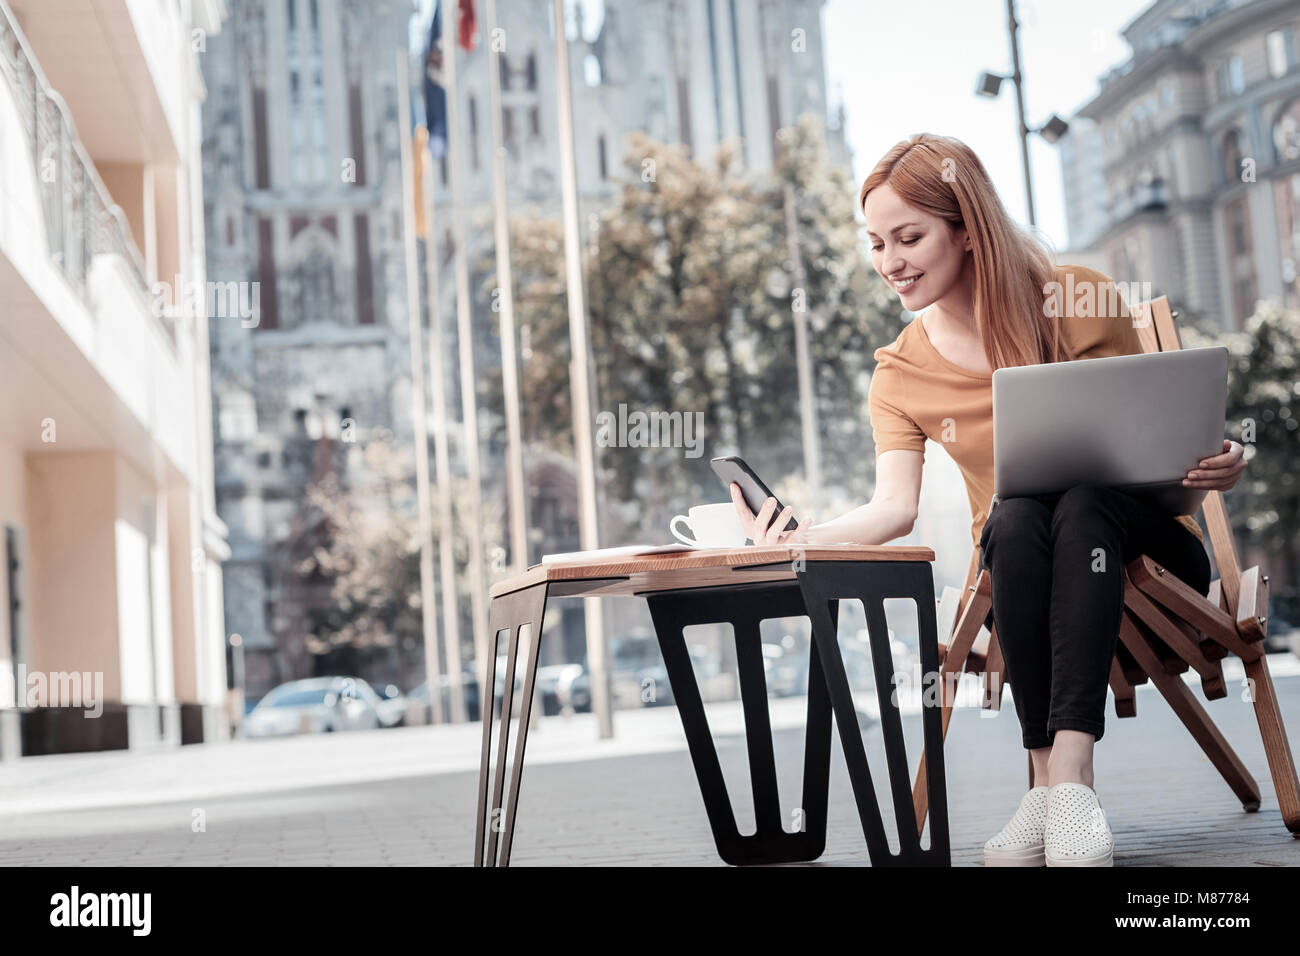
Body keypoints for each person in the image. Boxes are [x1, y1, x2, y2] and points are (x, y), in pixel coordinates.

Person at [729, 133, 1245, 867]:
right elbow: (892, 510)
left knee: (1084, 503)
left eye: (909, 237)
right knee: (1017, 514)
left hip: (1149, 572)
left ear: (967, 231)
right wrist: (800, 540)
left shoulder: (1079, 296)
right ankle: (1061, 792)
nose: (889, 262)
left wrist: (1225, 460)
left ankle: (1060, 782)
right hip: (1024, 573)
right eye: (875, 242)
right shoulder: (901, 371)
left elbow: (1173, 436)